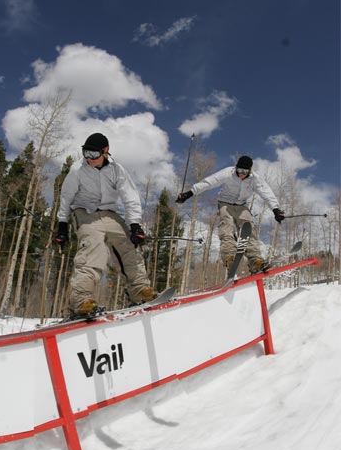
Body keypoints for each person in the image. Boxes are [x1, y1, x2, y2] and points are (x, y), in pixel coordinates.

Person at [54, 133, 157, 316]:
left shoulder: (117, 170)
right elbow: (66, 196)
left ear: (105, 152)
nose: (89, 159)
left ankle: (139, 290)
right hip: (85, 212)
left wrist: (134, 225)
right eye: (86, 153)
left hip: (109, 213)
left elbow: (130, 197)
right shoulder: (78, 169)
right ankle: (81, 299)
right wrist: (62, 223)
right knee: (94, 249)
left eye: (93, 155)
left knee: (127, 245)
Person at [175, 155, 284, 273]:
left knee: (250, 229)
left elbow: (266, 193)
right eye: (239, 170)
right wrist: (190, 193)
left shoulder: (255, 179)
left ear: (250, 171)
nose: (241, 174)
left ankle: (255, 261)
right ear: (236, 167)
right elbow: (209, 182)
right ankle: (229, 257)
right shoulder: (228, 173)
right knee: (227, 228)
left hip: (242, 206)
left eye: (245, 171)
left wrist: (276, 209)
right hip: (225, 204)